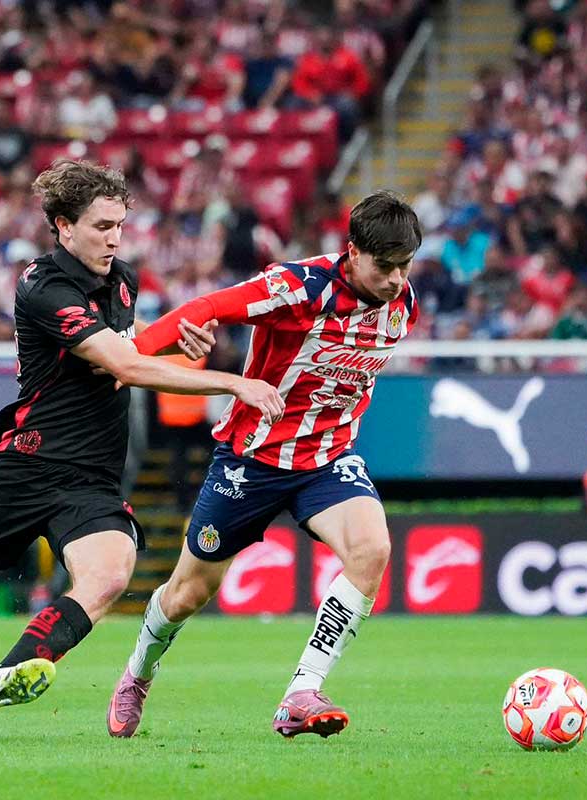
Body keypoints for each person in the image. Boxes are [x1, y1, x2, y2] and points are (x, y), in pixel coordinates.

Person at [0, 159, 284, 741]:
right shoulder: (41, 285)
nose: (114, 237)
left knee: (111, 573)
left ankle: (11, 670)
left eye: (119, 224)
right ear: (64, 226)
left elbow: (126, 351)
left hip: (89, 479)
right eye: (100, 226)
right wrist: (231, 380)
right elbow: (122, 364)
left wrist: (174, 342)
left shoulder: (123, 280)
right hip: (21, 469)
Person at [107, 191, 423, 740]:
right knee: (188, 593)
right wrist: (127, 358)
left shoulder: (403, 304)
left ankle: (302, 691)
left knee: (372, 549)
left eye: (405, 266)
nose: (397, 279)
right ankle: (137, 673)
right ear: (352, 251)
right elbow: (206, 309)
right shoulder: (300, 287)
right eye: (385, 266)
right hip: (249, 461)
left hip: (328, 458)